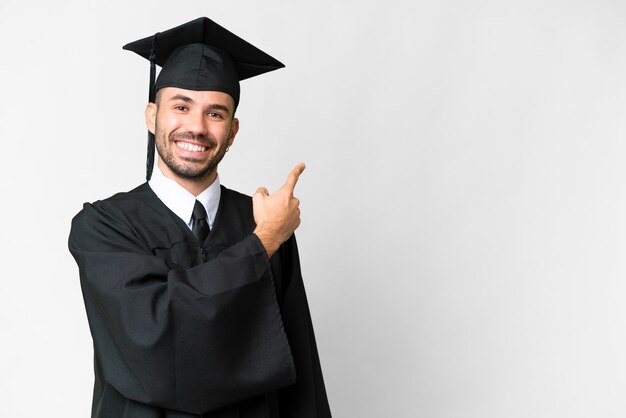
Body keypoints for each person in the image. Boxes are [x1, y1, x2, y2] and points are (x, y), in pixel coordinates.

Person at [68, 17, 331, 418]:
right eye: (181, 106)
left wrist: (267, 236)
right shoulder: (104, 226)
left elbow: (300, 371)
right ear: (151, 116)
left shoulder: (262, 220)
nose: (195, 127)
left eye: (215, 113)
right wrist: (261, 244)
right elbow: (156, 341)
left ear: (233, 130)